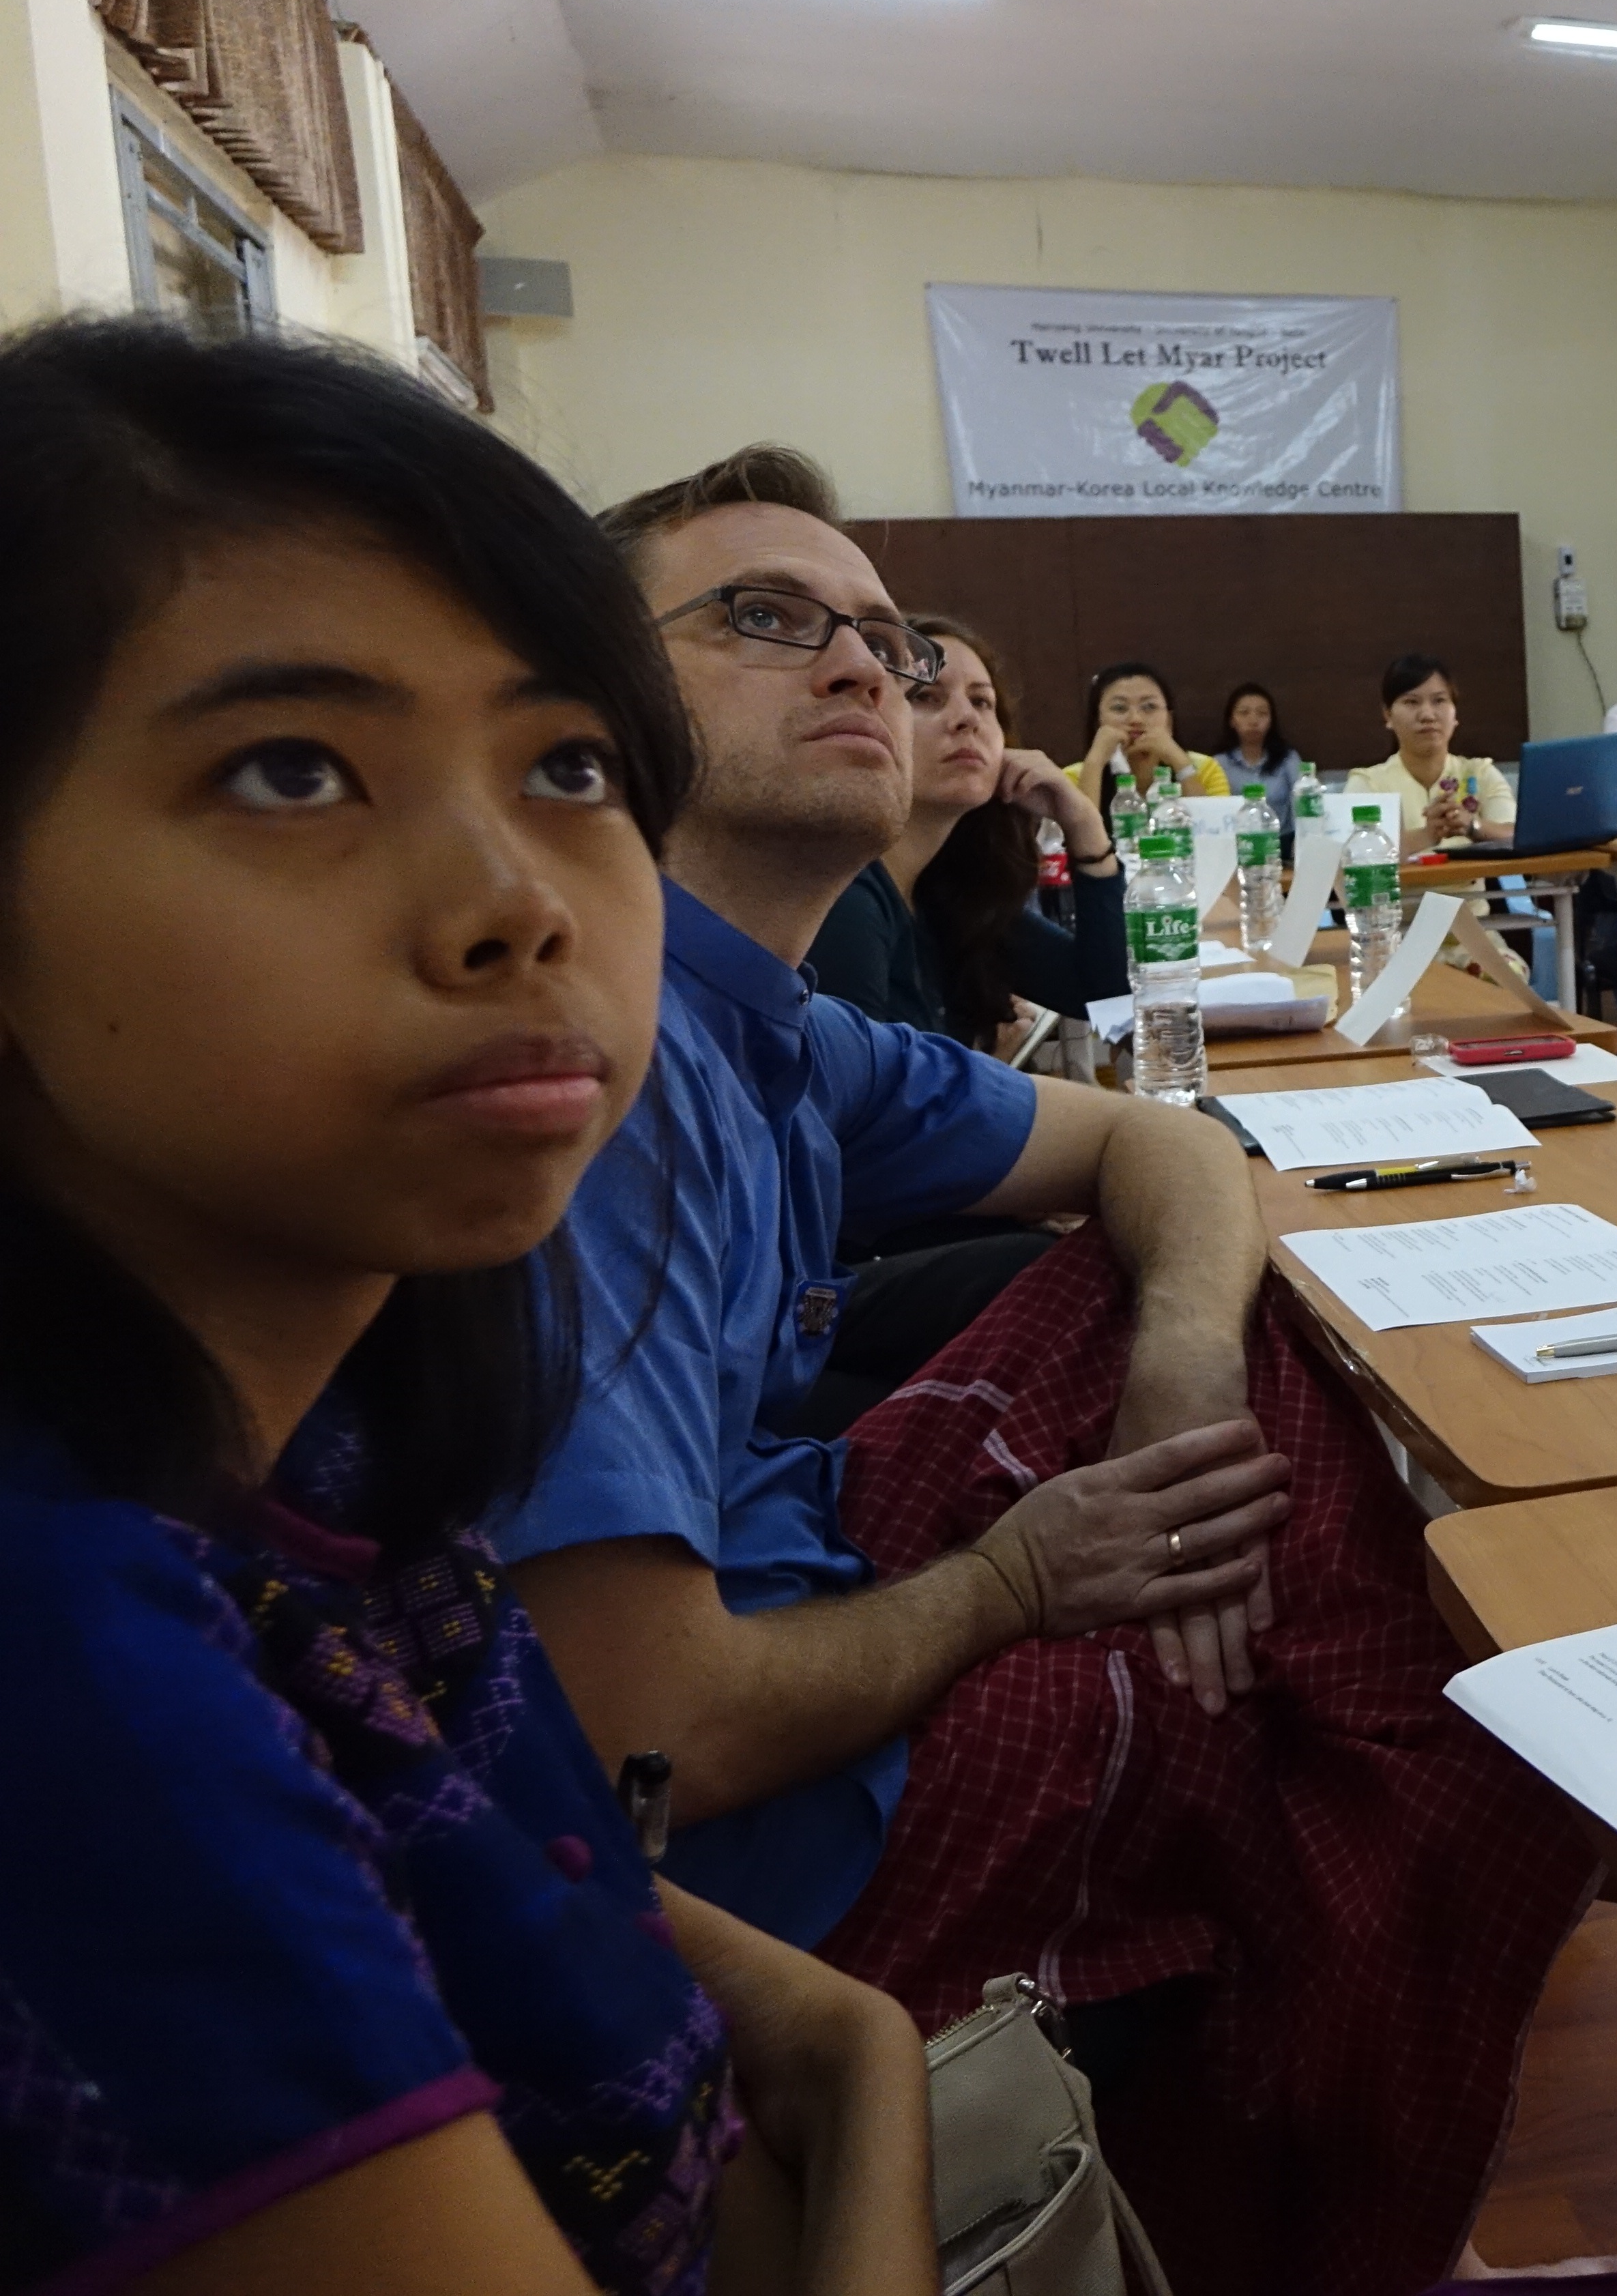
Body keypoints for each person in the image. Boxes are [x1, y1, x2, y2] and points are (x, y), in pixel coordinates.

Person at [500, 445, 1594, 2294]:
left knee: (1232, 1363)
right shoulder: (609, 1086)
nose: (863, 667)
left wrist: (1182, 1376)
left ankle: (1317, 2175)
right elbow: (654, 1743)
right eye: (761, 618)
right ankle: (1352, 2198)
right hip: (746, 1847)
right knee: (1405, 1727)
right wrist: (1016, 1584)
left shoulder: (777, 1027)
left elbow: (1166, 1146)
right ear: (585, 711)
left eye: (884, 636)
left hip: (812, 1575)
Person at [0, 320, 933, 2293]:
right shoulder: (67, 1664)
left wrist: (827, 2033)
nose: (518, 899)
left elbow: (534, 1858)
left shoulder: (343, 1420)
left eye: (566, 766)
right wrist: (877, 2097)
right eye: (291, 771)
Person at [810, 611, 1128, 1049]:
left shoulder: (948, 889)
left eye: (981, 702)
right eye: (926, 696)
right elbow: (859, 1089)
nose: (966, 718)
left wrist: (1085, 825)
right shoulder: (846, 899)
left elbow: (1107, 998)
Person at [1342, 652, 1519, 847]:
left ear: (1455, 715)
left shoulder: (1480, 773)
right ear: (1388, 716)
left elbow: (1517, 834)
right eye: (1411, 702)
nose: (1427, 715)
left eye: (1439, 701)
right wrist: (1427, 835)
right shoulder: (1368, 784)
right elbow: (1355, 851)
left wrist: (1472, 825)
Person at [1068, 658, 1229, 834]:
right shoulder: (1073, 778)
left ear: (1169, 721)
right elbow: (1079, 843)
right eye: (1120, 708)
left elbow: (1213, 836)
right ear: (1097, 723)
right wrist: (1095, 762)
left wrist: (1180, 763)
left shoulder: (1205, 769)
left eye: (1150, 707)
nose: (1136, 719)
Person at [1212, 677, 1301, 831]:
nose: (1253, 721)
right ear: (1232, 720)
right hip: (1236, 841)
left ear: (1271, 721)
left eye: (1262, 713)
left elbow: (1301, 807)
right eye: (1244, 713)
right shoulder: (1218, 764)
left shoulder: (1288, 759)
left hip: (1282, 840)